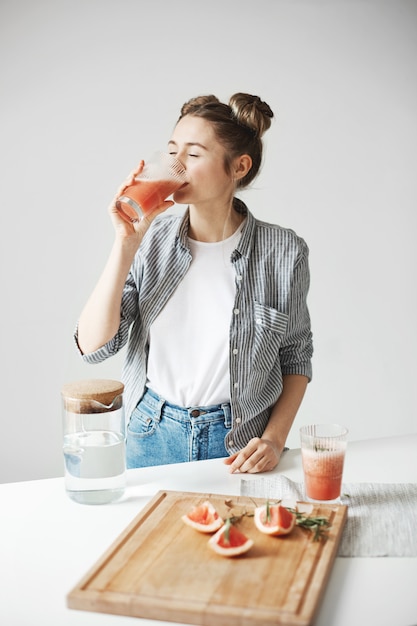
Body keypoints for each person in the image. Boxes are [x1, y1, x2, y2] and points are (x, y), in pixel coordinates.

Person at [75, 92, 313, 474]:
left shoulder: (283, 251)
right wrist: (125, 244)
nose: (176, 166)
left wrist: (274, 439)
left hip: (238, 441)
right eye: (172, 152)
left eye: (194, 154)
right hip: (151, 433)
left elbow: (296, 355)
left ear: (239, 166)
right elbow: (94, 346)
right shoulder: (151, 238)